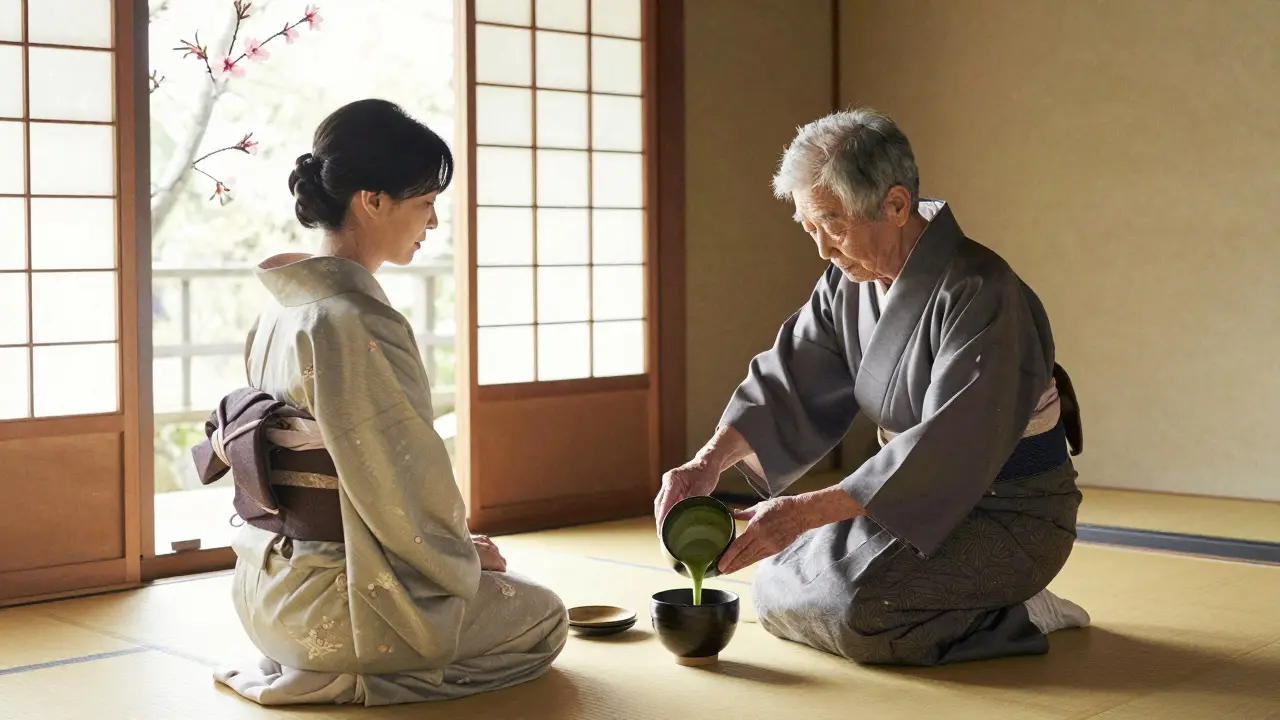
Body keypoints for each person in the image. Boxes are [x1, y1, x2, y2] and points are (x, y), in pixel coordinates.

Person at [654, 108, 1090, 666]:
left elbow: (947, 450)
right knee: (773, 583)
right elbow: (788, 379)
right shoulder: (847, 283)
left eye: (832, 224)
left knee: (864, 615)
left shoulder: (984, 293)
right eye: (810, 229)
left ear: (896, 205)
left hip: (1007, 513)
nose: (822, 250)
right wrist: (708, 462)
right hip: (901, 502)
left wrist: (802, 513)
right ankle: (955, 596)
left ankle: (1022, 608)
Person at [199, 99, 568, 706]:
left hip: (263, 594)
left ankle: (316, 664)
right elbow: (399, 482)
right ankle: (350, 676)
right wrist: (458, 557)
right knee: (545, 619)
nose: (433, 224)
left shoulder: (279, 310)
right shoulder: (354, 321)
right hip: (337, 607)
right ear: (372, 201)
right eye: (424, 204)